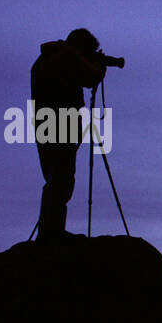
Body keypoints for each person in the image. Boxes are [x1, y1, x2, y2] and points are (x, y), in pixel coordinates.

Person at [30, 28, 108, 242]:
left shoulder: (47, 57)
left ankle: (49, 229)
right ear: (81, 47)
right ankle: (51, 233)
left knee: (54, 176)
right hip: (60, 122)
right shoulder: (67, 55)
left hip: (43, 122)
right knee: (61, 177)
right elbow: (90, 76)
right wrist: (100, 66)